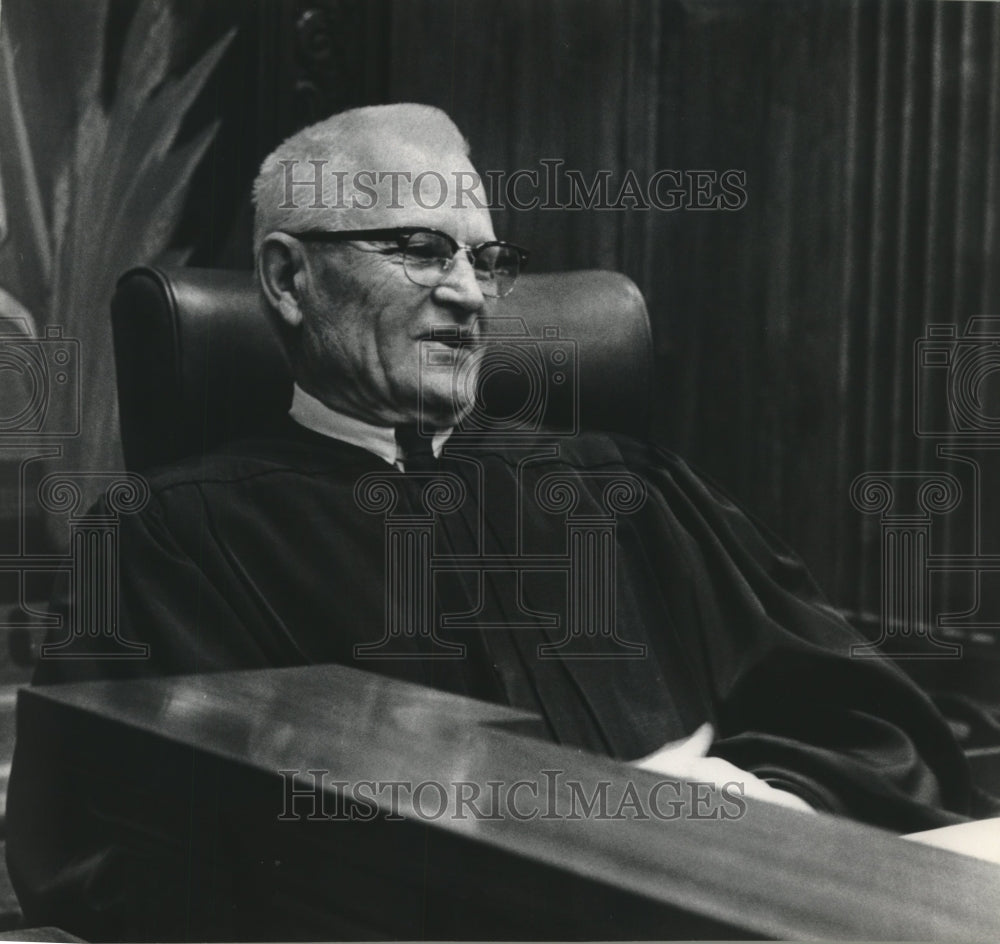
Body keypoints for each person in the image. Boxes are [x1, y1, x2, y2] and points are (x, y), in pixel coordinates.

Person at [6, 104, 991, 938]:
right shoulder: (170, 537)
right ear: (287, 278)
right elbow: (111, 857)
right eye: (420, 250)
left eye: (486, 259)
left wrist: (745, 800)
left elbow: (873, 723)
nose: (470, 294)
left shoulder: (631, 491)